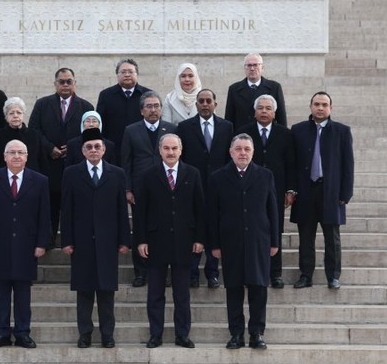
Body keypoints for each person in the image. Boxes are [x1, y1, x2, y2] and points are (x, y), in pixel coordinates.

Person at [207, 133, 279, 350]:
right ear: (230, 152)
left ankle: (256, 333)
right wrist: (215, 244)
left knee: (259, 288)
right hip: (231, 241)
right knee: (234, 288)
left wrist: (274, 241)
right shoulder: (218, 177)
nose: (242, 153)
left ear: (253, 152)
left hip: (259, 240)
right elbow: (213, 214)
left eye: (247, 149)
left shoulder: (265, 175)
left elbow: (272, 210)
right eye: (238, 149)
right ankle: (236, 333)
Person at [60, 128, 130, 349]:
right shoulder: (71, 173)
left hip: (108, 242)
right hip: (81, 242)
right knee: (84, 291)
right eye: (89, 147)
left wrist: (124, 240)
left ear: (104, 149)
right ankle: (85, 334)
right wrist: (67, 240)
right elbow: (67, 209)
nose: (93, 150)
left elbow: (121, 209)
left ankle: (107, 334)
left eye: (97, 146)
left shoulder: (117, 173)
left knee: (107, 292)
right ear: (82, 150)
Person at [134, 133, 205, 349]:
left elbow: (200, 208)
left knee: (181, 294)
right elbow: (140, 212)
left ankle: (182, 335)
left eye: (174, 148)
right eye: (166, 148)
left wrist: (200, 238)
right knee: (155, 293)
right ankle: (156, 334)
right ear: (160, 150)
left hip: (185, 242)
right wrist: (141, 240)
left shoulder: (192, 173)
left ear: (181, 150)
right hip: (156, 242)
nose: (171, 152)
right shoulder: (148, 175)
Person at [0, 140, 51, 349]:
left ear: (27, 156)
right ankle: (2, 331)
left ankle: (22, 332)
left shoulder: (40, 180)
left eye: (21, 152)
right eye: (12, 152)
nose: (16, 156)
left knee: (22, 292)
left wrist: (42, 243)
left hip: (27, 245)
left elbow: (44, 215)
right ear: (5, 156)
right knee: (0, 291)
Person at [290, 92, 354, 290]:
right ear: (310, 107)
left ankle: (333, 276)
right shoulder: (298, 130)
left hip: (331, 192)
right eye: (316, 104)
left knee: (332, 238)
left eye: (324, 105)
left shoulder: (342, 131)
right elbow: (292, 163)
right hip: (305, 192)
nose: (320, 108)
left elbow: (348, 164)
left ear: (330, 108)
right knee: (305, 237)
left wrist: (346, 193)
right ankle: (305, 275)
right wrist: (291, 190)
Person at [29, 68, 94, 248]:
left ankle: (72, 239)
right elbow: (34, 130)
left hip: (75, 163)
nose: (65, 85)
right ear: (55, 83)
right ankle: (48, 239)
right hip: (49, 164)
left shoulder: (86, 107)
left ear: (75, 83)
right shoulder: (42, 104)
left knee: (74, 204)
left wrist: (73, 147)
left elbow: (90, 133)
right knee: (50, 204)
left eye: (69, 81)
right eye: (61, 81)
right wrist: (50, 148)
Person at [175, 89, 234, 289]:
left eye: (209, 100)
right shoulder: (184, 127)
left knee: (214, 230)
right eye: (201, 101)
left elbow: (229, 157)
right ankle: (192, 273)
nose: (205, 104)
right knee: (193, 229)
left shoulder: (227, 127)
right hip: (192, 186)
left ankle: (212, 273)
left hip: (219, 187)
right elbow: (180, 159)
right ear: (196, 104)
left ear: (215, 104)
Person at [237, 94, 297, 289]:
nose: (264, 111)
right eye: (260, 108)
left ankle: (275, 272)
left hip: (276, 189)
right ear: (254, 112)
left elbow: (290, 164)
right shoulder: (243, 133)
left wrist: (290, 189)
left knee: (275, 228)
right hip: (248, 189)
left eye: (268, 108)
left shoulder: (285, 134)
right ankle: (249, 270)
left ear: (274, 112)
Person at [121, 91, 176, 287]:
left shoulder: (171, 129)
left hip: (165, 189)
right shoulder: (131, 130)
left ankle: (165, 271)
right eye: (149, 106)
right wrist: (127, 189)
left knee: (164, 230)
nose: (153, 110)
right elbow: (126, 162)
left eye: (156, 106)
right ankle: (141, 272)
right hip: (140, 191)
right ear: (142, 110)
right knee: (140, 229)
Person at [95, 58, 153, 163]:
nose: (127, 75)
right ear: (117, 75)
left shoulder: (147, 95)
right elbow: (100, 123)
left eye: (130, 72)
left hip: (141, 150)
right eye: (123, 72)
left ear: (137, 74)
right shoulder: (106, 95)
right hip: (114, 149)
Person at [224, 53, 287, 131]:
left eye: (255, 65)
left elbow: (281, 116)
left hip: (267, 136)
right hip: (243, 137)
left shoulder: (274, 87)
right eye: (249, 65)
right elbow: (229, 118)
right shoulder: (234, 89)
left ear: (262, 68)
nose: (252, 68)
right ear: (244, 68)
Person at [0, 97, 44, 172]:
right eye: (11, 113)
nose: (15, 116)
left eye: (19, 112)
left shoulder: (34, 135)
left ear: (23, 115)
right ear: (6, 117)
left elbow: (41, 162)